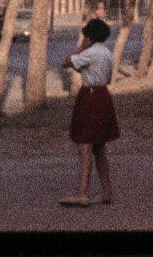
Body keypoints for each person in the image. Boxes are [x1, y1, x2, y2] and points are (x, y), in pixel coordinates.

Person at [59, 18, 119, 207]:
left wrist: (80, 47)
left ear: (89, 37)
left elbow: (66, 62)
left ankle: (82, 192)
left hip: (90, 95)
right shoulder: (107, 53)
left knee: (84, 144)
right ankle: (106, 191)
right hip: (103, 95)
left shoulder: (90, 53)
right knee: (99, 146)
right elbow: (108, 78)